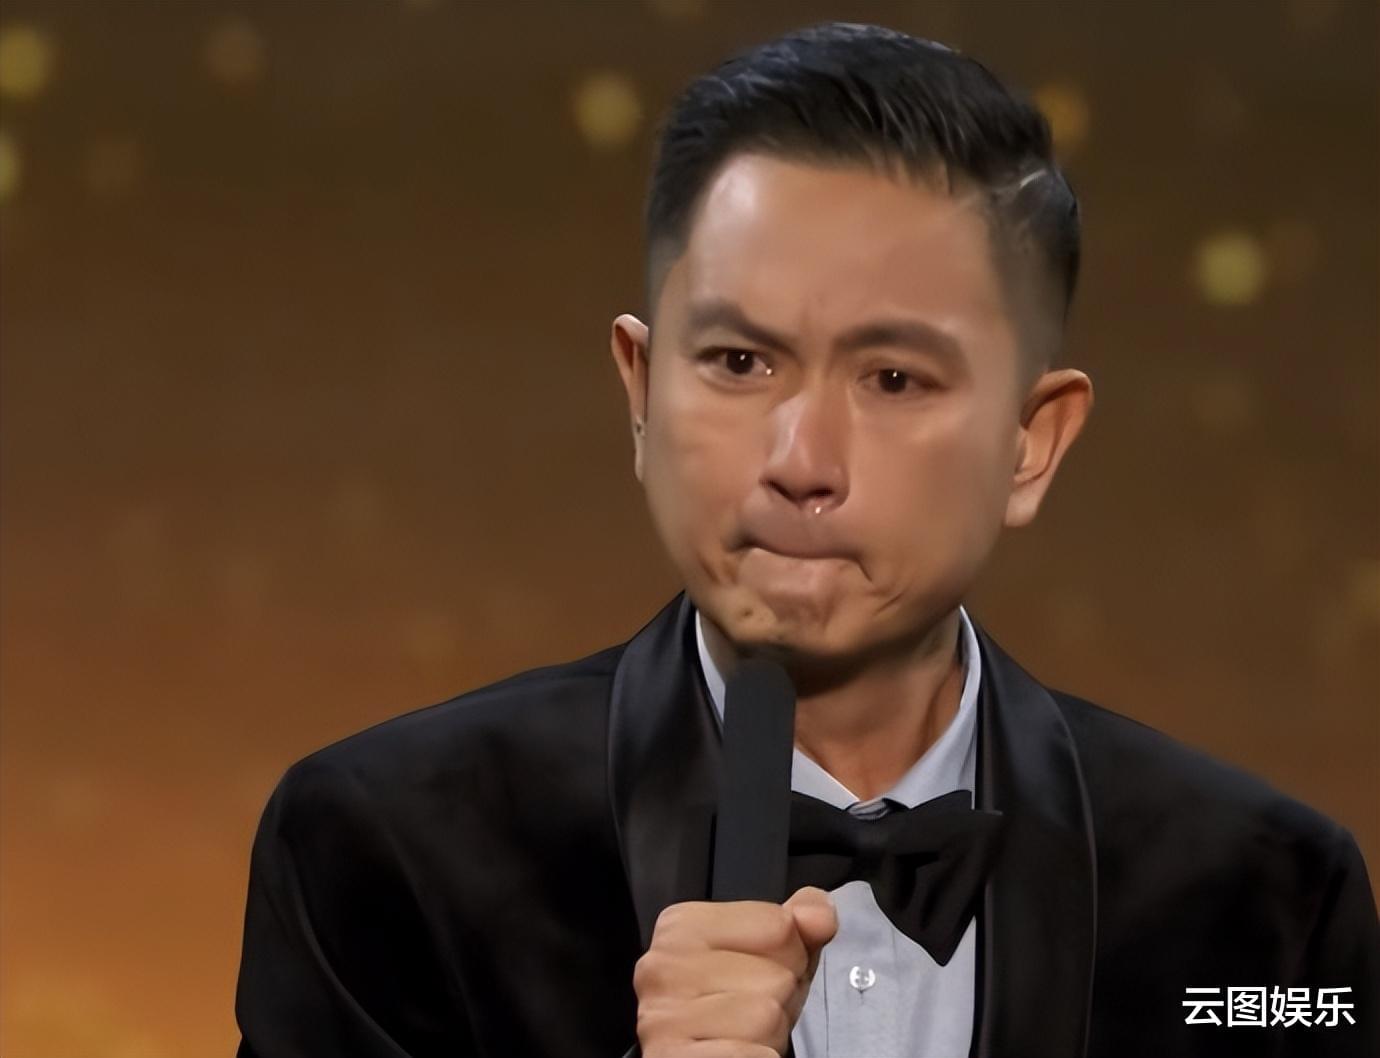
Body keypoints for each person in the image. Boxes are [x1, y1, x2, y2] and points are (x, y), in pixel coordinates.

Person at [233, 21, 1378, 1058]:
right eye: (739, 362)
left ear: (1031, 442)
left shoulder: (1270, 908)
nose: (800, 459)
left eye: (894, 378)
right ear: (641, 391)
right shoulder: (386, 852)